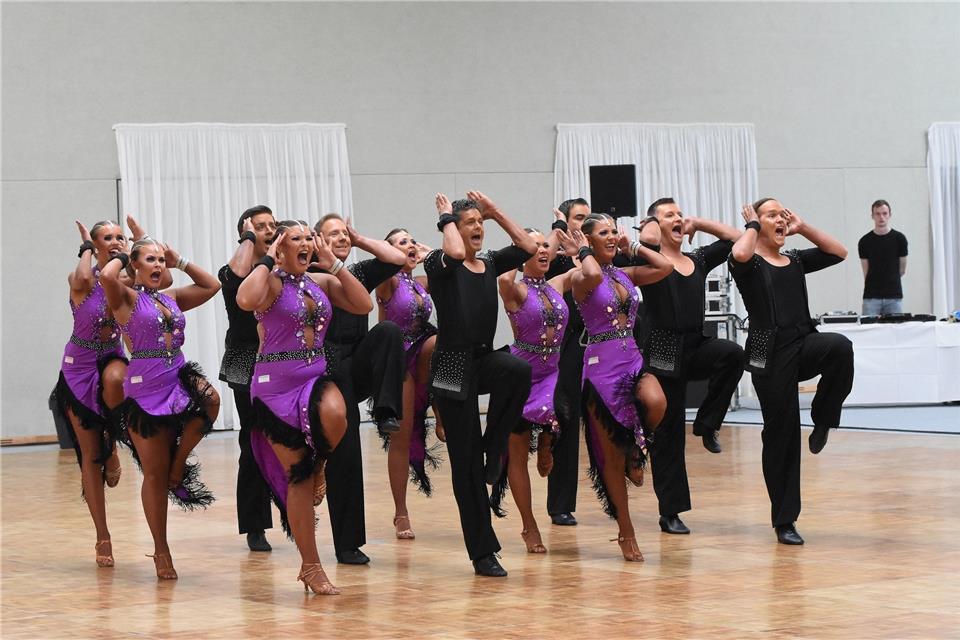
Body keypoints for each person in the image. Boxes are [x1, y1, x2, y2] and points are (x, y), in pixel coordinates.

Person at [238, 221, 373, 595]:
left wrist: (334, 264)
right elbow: (245, 300)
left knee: (337, 413)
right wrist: (268, 257)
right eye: (294, 239)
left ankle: (322, 463)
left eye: (307, 239)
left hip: (313, 379)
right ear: (281, 247)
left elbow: (364, 305)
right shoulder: (269, 284)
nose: (305, 244)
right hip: (274, 388)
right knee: (298, 476)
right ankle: (311, 566)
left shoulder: (320, 281)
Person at [730, 199, 854, 545]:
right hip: (768, 355)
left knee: (840, 347)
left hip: (802, 344)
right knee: (782, 433)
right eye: (773, 215)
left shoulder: (795, 260)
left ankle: (824, 418)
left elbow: (839, 252)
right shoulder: (749, 262)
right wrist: (753, 226)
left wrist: (804, 226)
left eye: (783, 215)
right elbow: (738, 255)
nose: (781, 219)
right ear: (756, 222)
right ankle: (785, 519)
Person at [426, 191, 536, 577]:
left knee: (517, 370)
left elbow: (526, 245)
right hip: (452, 366)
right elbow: (455, 254)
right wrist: (445, 217)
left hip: (483, 358)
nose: (477, 228)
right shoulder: (439, 261)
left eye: (479, 223)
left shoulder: (489, 262)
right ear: (453, 228)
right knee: (466, 468)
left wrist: (496, 211)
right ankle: (483, 551)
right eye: (468, 222)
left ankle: (495, 446)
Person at [101, 238, 221, 579]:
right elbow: (108, 278)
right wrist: (125, 255)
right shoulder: (126, 298)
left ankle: (178, 464)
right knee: (153, 473)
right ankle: (161, 548)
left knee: (211, 401)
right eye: (150, 261)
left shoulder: (172, 298)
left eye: (160, 261)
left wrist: (178, 260)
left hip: (178, 375)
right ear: (136, 266)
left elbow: (211, 285)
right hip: (146, 386)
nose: (157, 266)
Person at [638, 198, 745, 535]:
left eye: (680, 214)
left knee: (732, 354)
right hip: (663, 351)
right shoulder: (648, 259)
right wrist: (655, 221)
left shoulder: (696, 259)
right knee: (668, 435)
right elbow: (645, 239)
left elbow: (735, 239)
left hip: (695, 344)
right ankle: (670, 511)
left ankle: (707, 423)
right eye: (671, 215)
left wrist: (698, 221)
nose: (678, 218)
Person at [571, 214, 672, 561]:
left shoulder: (624, 274)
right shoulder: (580, 278)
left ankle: (637, 449)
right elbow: (593, 274)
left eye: (614, 231)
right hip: (601, 369)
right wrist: (583, 251)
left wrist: (636, 246)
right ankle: (626, 532)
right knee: (610, 459)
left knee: (656, 401)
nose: (613, 237)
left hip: (632, 359)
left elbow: (664, 268)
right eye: (604, 233)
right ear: (588, 240)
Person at [314, 213, 407, 565]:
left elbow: (397, 259)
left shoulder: (357, 272)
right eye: (333, 233)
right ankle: (348, 544)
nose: (340, 237)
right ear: (317, 239)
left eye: (343, 233)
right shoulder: (309, 275)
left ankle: (385, 411)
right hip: (327, 369)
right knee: (346, 451)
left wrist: (359, 238)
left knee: (388, 332)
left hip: (358, 363)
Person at [492, 226, 578, 553]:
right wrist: (520, 247)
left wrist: (573, 242)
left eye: (545, 246)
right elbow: (501, 280)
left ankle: (547, 437)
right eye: (534, 247)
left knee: (564, 409)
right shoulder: (514, 290)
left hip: (552, 372)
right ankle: (529, 525)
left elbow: (583, 270)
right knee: (516, 453)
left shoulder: (558, 283)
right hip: (522, 373)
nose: (542, 251)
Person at [54, 220, 129, 567]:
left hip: (111, 358)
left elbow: (167, 281)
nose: (115, 242)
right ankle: (102, 535)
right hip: (79, 364)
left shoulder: (125, 280)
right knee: (89, 456)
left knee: (117, 380)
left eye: (120, 237)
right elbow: (84, 278)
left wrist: (136, 247)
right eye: (108, 238)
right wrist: (85, 247)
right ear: (96, 245)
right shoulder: (80, 279)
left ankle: (112, 441)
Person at [218, 205, 279, 552]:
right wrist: (249, 239)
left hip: (286, 359)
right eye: (261, 226)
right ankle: (256, 524)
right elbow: (237, 275)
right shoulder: (235, 269)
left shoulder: (284, 268)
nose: (269, 229)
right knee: (254, 440)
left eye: (272, 224)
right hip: (247, 360)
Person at [375, 229, 441, 540]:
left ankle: (439, 413)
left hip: (423, 354)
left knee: (439, 341)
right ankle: (400, 512)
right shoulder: (387, 282)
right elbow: (384, 262)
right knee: (401, 437)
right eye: (403, 242)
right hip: (396, 362)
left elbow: (450, 271)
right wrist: (396, 255)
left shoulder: (420, 284)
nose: (411, 245)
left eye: (413, 240)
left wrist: (430, 256)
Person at [543, 198, 591, 527]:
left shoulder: (598, 254)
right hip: (570, 344)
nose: (583, 224)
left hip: (607, 344)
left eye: (588, 219)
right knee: (567, 418)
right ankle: (560, 504)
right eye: (578, 218)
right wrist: (558, 231)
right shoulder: (557, 260)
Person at [858, 199, 908, 315]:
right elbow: (866, 271)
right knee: (869, 331)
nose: (881, 217)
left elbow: (902, 270)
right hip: (871, 297)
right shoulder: (864, 241)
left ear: (890, 215)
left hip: (894, 296)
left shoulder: (899, 239)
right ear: (872, 216)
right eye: (878, 214)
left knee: (896, 331)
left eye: (884, 213)